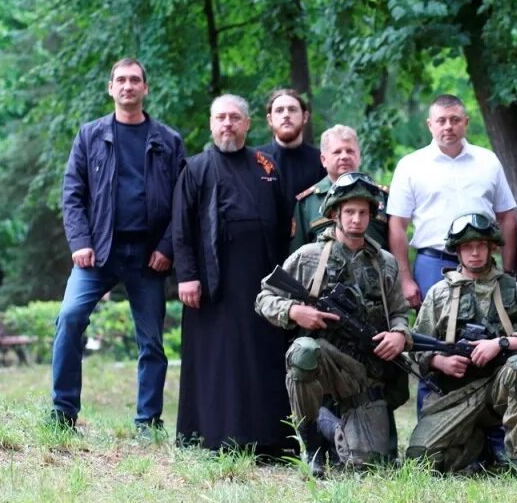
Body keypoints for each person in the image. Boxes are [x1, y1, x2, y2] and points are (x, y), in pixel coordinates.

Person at [51, 57, 185, 432]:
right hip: (98, 253)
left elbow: (182, 202)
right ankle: (62, 414)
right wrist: (80, 241)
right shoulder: (90, 135)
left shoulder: (168, 141)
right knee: (69, 318)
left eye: (134, 80)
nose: (127, 86)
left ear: (145, 88)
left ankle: (147, 422)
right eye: (120, 80)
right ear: (111, 88)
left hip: (148, 258)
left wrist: (166, 247)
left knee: (152, 342)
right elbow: (73, 194)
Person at [255, 173, 412, 475]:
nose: (357, 219)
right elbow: (264, 298)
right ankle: (312, 444)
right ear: (334, 214)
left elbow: (400, 313)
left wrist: (399, 335)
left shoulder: (386, 263)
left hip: (365, 372)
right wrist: (294, 312)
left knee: (368, 464)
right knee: (302, 352)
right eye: (349, 212)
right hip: (323, 360)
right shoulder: (309, 257)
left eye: (363, 213)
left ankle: (331, 425)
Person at [172, 94, 292, 457]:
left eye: (235, 118)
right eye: (221, 117)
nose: (227, 124)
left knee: (261, 358)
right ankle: (212, 436)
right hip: (213, 283)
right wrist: (187, 276)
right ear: (211, 124)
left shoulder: (265, 164)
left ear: (248, 123)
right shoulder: (195, 168)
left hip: (261, 281)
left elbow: (284, 220)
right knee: (217, 359)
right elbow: (181, 228)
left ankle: (269, 440)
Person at [407, 213, 517, 474]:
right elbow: (414, 346)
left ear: (492, 248)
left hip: (500, 386)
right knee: (422, 460)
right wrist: (439, 361)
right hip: (456, 394)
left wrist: (502, 344)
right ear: (457, 251)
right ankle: (481, 447)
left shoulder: (515, 290)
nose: (474, 252)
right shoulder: (439, 294)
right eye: (467, 246)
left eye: (480, 245)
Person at [387, 94, 517, 310]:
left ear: (466, 122)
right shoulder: (410, 166)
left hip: (483, 264)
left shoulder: (488, 161)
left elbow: (507, 217)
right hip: (433, 264)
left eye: (455, 119)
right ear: (430, 125)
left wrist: (509, 270)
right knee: (436, 338)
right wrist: (405, 279)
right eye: (441, 120)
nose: (448, 126)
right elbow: (397, 224)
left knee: (487, 334)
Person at [290, 124, 389, 252]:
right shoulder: (307, 202)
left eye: (350, 151)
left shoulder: (382, 196)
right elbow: (297, 255)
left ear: (359, 157)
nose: (344, 156)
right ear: (323, 160)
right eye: (337, 152)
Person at [257, 88, 326, 237]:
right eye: (280, 110)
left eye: (292, 110)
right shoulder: (255, 160)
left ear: (305, 117)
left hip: (311, 247)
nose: (286, 115)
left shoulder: (322, 160)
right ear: (270, 119)